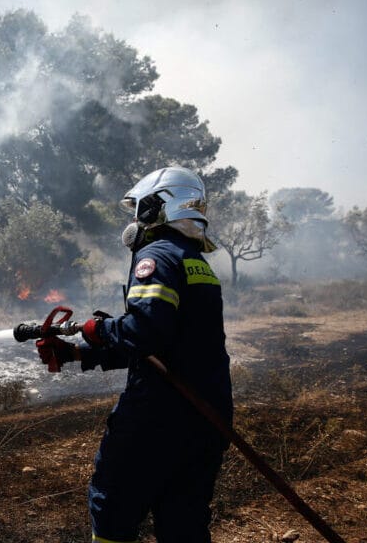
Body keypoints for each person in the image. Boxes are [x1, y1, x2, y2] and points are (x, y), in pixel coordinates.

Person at [41, 166, 233, 542]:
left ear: (156, 207)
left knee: (112, 507)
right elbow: (162, 347)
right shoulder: (195, 262)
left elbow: (145, 333)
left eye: (138, 210)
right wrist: (78, 354)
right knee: (183, 523)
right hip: (206, 417)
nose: (134, 221)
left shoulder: (156, 256)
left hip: (157, 417)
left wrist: (99, 329)